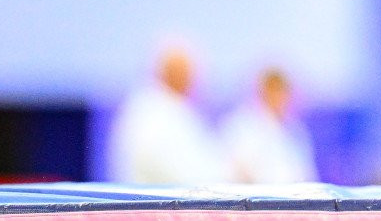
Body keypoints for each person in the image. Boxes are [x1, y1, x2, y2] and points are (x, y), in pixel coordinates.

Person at [109, 44, 228, 185]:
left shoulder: (159, 106)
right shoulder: (159, 113)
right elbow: (186, 171)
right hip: (158, 194)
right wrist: (229, 173)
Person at [220, 67, 319, 184]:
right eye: (273, 90)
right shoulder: (243, 126)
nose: (278, 96)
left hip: (295, 193)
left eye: (282, 91)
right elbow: (235, 169)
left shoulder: (296, 132)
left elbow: (307, 175)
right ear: (263, 91)